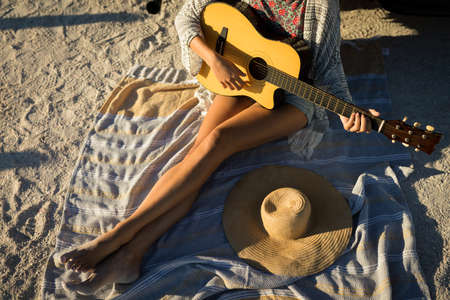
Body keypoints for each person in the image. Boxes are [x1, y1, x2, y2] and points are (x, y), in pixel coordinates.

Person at [59, 0, 380, 294]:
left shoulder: (321, 4)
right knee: (198, 157)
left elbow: (327, 69)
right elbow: (186, 17)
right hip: (242, 78)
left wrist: (348, 109)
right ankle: (131, 255)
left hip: (290, 98)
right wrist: (214, 59)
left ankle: (114, 238)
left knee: (216, 142)